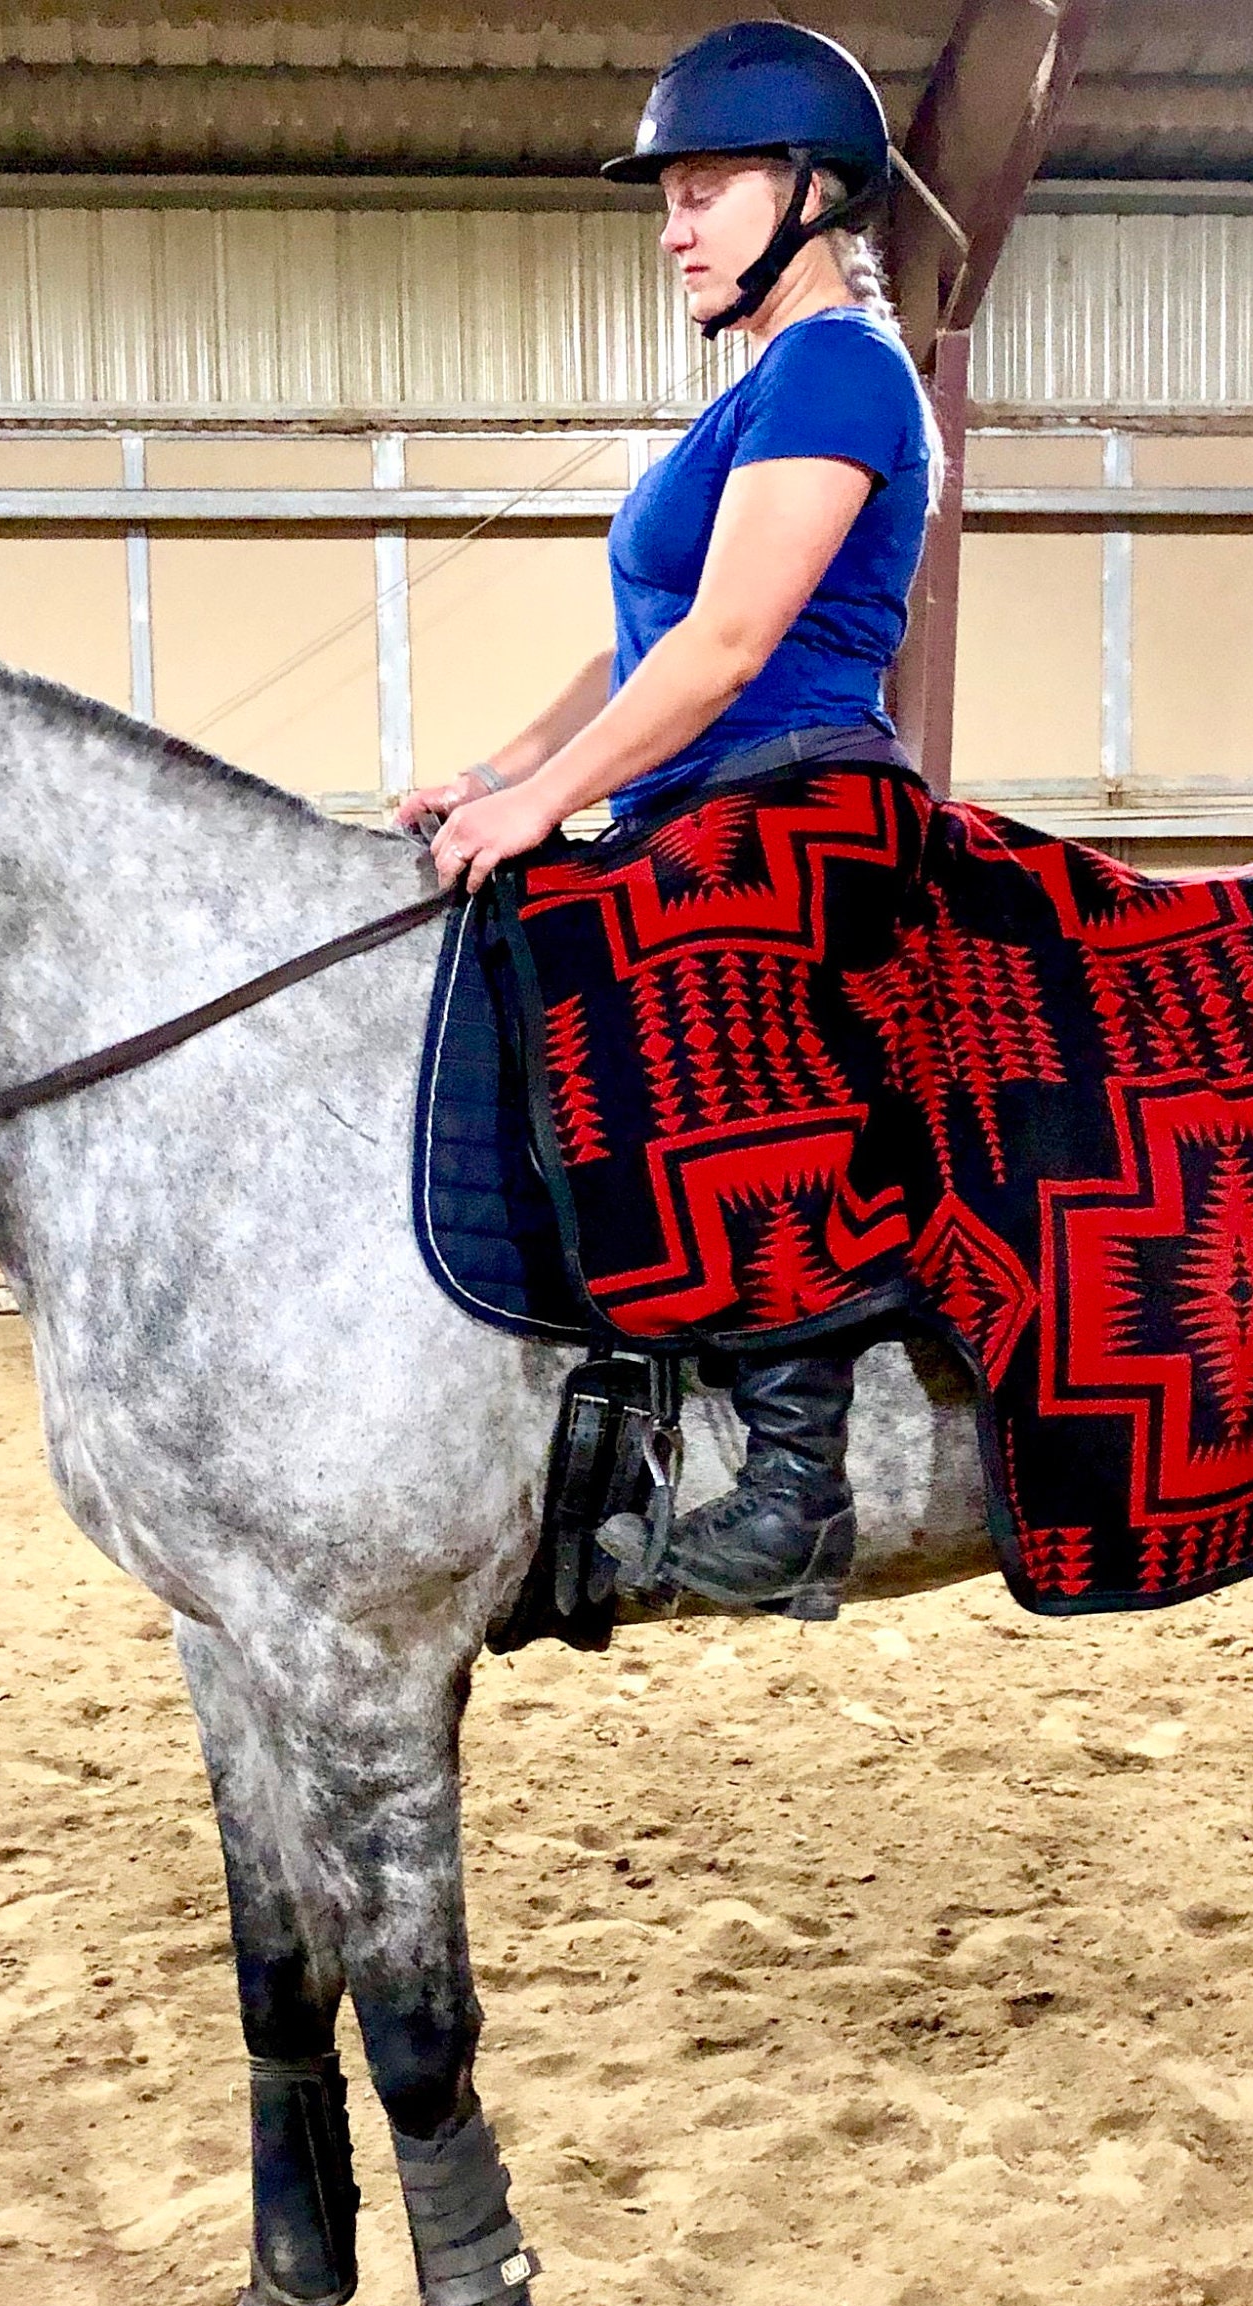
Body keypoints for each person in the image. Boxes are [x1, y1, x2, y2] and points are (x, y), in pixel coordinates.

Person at [394, 20, 935, 1616]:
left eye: (705, 191)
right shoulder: (760, 391)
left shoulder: (840, 368)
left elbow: (727, 645)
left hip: (797, 799)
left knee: (689, 1015)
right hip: (708, 784)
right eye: (669, 196)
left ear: (814, 196)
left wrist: (552, 806)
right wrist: (509, 774)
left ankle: (793, 1478)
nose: (673, 226)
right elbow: (645, 636)